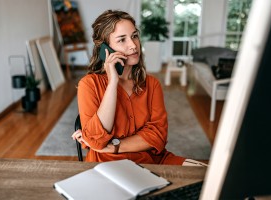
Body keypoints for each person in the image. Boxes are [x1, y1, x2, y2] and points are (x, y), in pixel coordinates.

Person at [71, 10, 186, 165]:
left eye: (134, 36)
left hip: (151, 161)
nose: (133, 45)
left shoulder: (152, 84)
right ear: (106, 49)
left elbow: (158, 136)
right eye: (122, 40)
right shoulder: (89, 85)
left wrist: (113, 147)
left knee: (207, 176)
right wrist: (112, 83)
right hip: (107, 164)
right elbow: (96, 141)